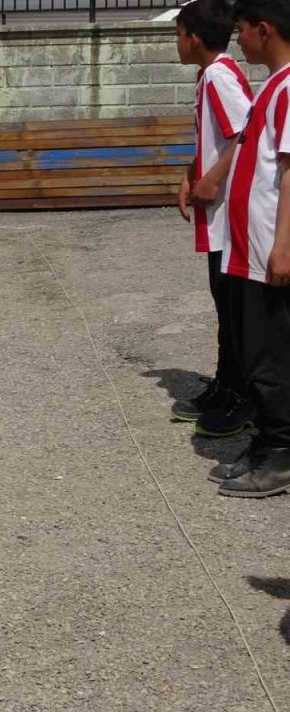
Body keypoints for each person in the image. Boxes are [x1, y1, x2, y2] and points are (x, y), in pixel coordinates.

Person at [211, 0, 290, 497]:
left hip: (268, 250)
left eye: (241, 30)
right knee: (254, 349)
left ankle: (282, 453)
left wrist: (283, 246)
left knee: (272, 356)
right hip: (248, 248)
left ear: (264, 29)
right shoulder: (273, 85)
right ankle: (267, 440)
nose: (237, 39)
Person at [172, 0, 254, 436]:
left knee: (233, 308)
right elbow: (219, 139)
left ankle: (241, 398)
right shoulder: (212, 75)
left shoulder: (220, 78)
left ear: (194, 38)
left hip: (228, 220)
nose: (178, 42)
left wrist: (214, 181)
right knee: (225, 306)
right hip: (219, 216)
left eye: (179, 33)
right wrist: (192, 173)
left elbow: (246, 132)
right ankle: (226, 385)